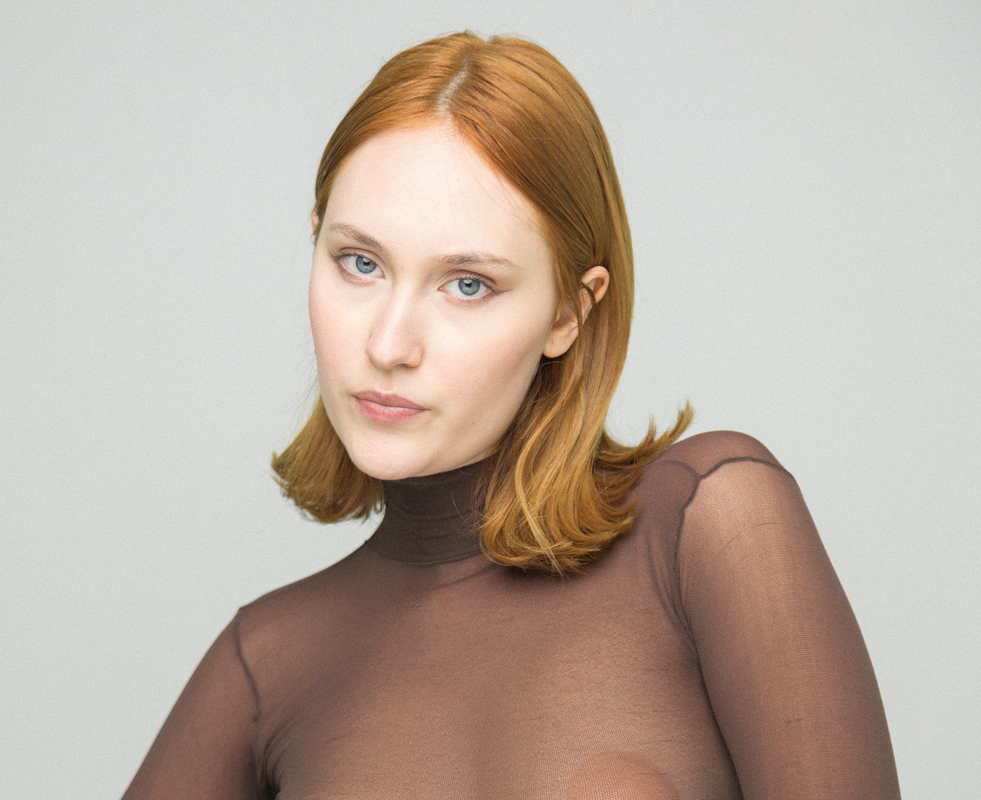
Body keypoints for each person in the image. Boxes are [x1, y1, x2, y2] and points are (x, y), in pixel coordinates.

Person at [122, 32, 900, 799]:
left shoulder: (709, 526)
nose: (387, 344)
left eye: (467, 284)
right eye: (360, 263)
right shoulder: (265, 664)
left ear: (569, 311)